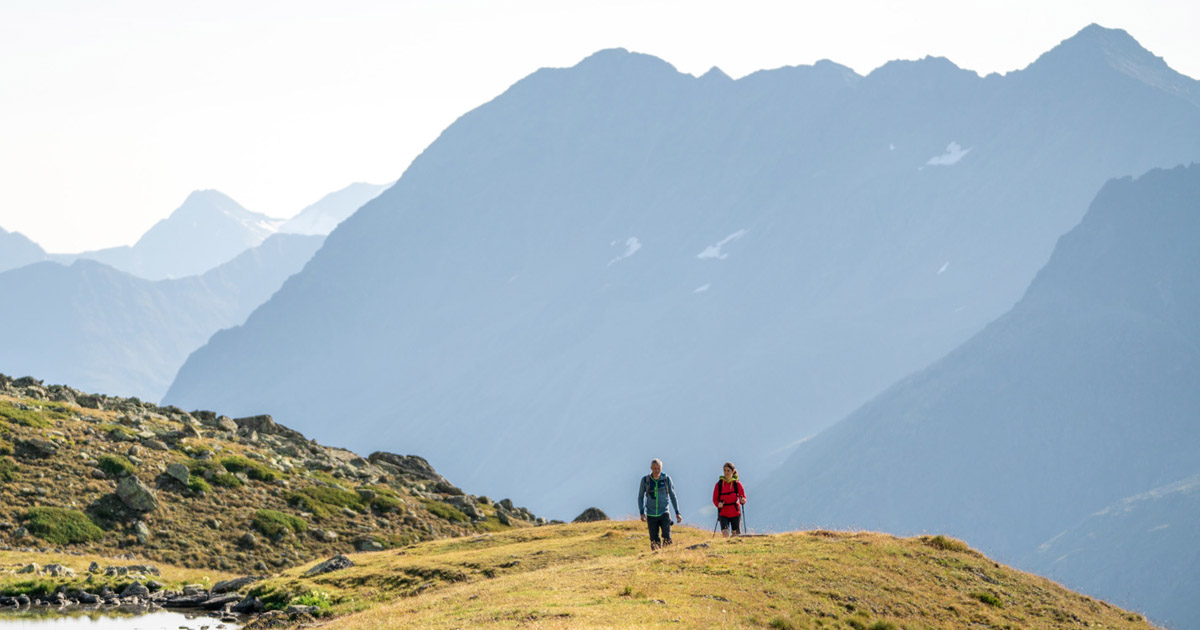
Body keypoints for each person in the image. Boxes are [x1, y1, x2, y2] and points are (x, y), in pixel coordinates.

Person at [638, 458, 682, 550]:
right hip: (651, 513)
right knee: (654, 540)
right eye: (654, 469)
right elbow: (640, 497)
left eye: (658, 468)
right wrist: (642, 513)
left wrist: (677, 512)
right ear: (651, 468)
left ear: (661, 468)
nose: (657, 471)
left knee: (667, 537)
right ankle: (656, 559)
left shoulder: (666, 479)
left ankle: (667, 558)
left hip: (664, 512)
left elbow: (673, 496)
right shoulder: (645, 480)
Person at [712, 461, 746, 537]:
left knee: (736, 536)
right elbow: (715, 498)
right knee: (725, 534)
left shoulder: (737, 484)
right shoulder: (719, 484)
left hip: (735, 513)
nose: (726, 472)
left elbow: (742, 496)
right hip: (723, 513)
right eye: (725, 470)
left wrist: (742, 500)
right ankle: (726, 548)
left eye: (728, 470)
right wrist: (718, 504)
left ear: (732, 472)